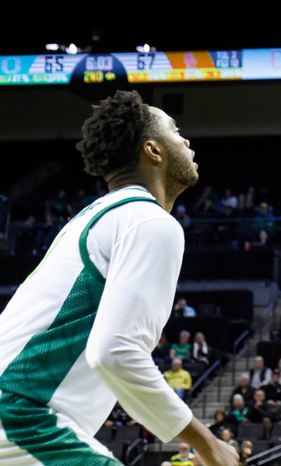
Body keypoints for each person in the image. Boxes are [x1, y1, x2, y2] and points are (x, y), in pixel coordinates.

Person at [0, 91, 237, 466]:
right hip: (23, 415)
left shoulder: (93, 218)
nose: (187, 141)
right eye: (175, 131)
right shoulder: (149, 221)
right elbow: (114, 352)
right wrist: (206, 442)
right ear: (153, 151)